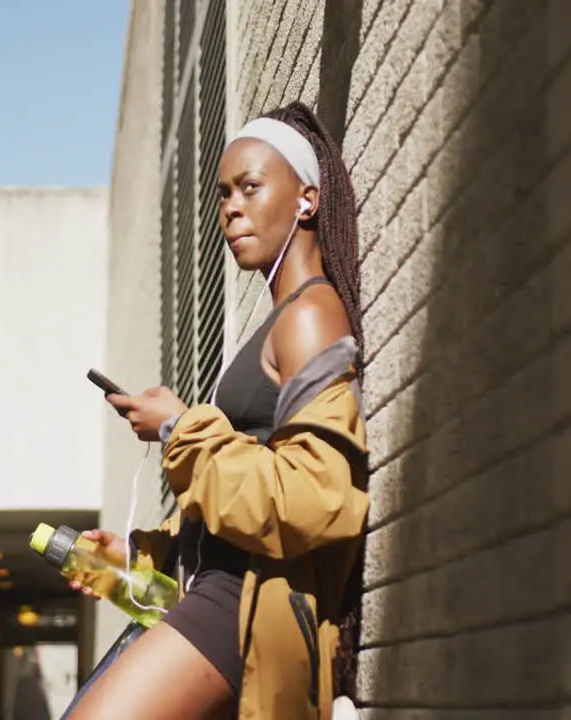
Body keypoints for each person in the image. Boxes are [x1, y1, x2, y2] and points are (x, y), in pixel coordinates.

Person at [65, 101, 369, 720]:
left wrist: (179, 427)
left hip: (242, 605)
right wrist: (136, 555)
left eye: (250, 187)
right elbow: (239, 492)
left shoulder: (310, 315)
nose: (230, 207)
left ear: (307, 199)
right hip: (213, 592)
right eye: (225, 193)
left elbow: (317, 498)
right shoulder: (276, 323)